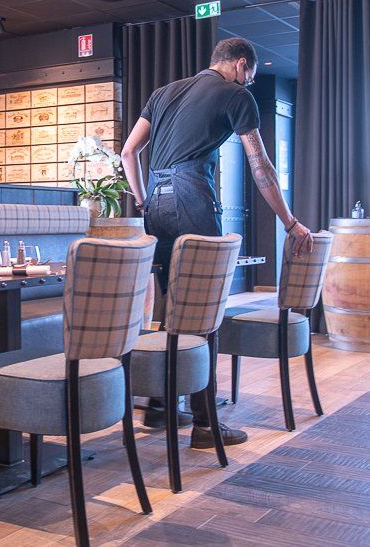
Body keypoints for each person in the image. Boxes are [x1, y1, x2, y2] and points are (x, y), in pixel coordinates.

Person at [119, 37, 313, 449]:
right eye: (250, 76)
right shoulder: (235, 94)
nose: (249, 82)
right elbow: (260, 165)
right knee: (204, 312)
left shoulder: (163, 92)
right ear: (241, 65)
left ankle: (161, 404)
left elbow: (128, 151)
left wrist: (142, 200)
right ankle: (206, 424)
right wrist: (290, 221)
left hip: (157, 202)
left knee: (174, 308)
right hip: (192, 198)